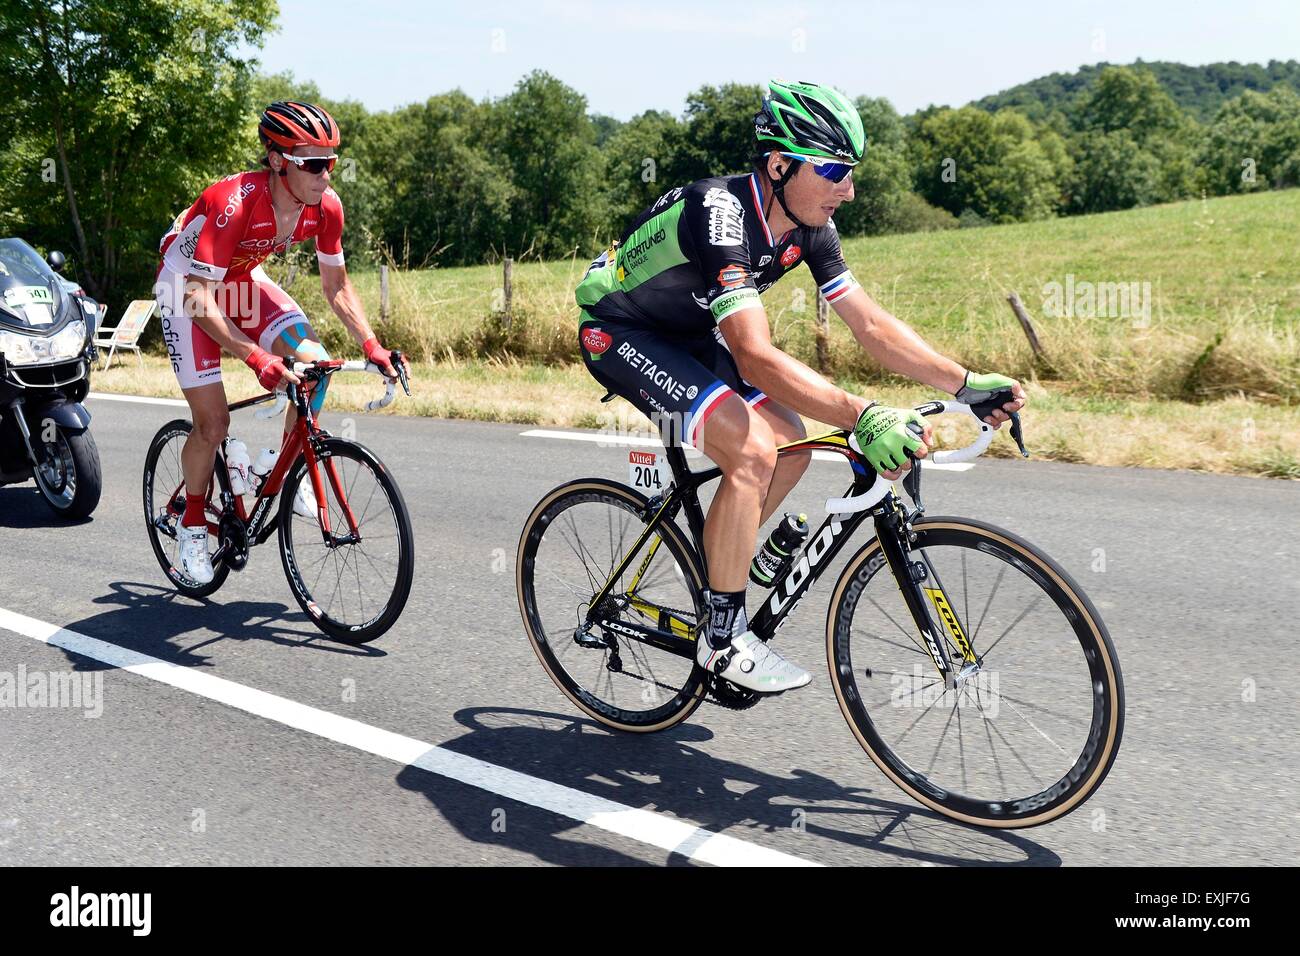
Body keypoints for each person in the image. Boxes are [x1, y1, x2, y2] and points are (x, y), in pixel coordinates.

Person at [574, 80, 1026, 693]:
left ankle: (724, 569)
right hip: (621, 332)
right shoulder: (721, 214)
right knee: (751, 451)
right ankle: (722, 635)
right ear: (780, 164)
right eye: (836, 169)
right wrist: (862, 413)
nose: (849, 188)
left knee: (790, 438)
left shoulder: (812, 226)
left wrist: (965, 382)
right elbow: (756, 357)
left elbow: (869, 325)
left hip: (690, 331)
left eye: (852, 172)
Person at [154, 100, 409, 585]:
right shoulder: (234, 202)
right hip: (185, 288)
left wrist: (372, 344)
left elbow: (336, 287)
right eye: (313, 163)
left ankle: (281, 462)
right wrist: (256, 357)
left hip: (242, 281)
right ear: (277, 160)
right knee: (213, 423)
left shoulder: (325, 207)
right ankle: (190, 524)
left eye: (330, 162)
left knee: (315, 365)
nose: (326, 175)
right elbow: (195, 296)